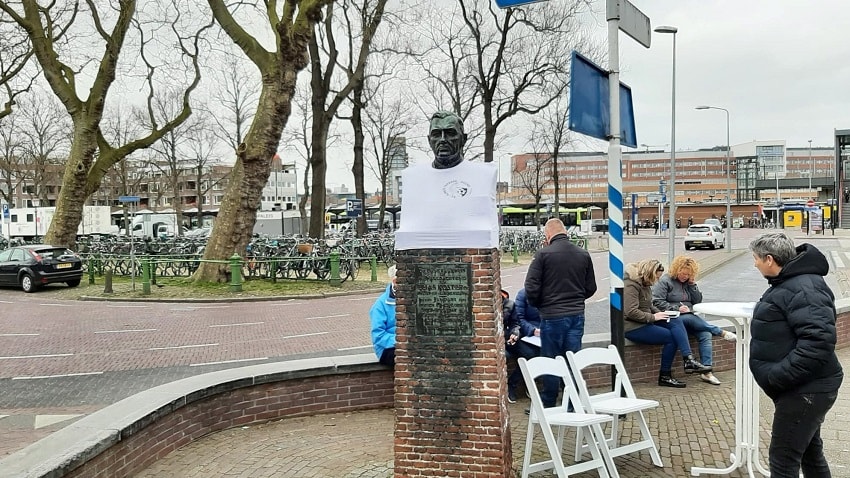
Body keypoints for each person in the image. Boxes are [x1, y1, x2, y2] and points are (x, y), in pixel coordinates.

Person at [749, 232, 843, 477]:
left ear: (769, 259)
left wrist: (776, 377)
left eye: (756, 258)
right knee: (810, 453)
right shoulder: (791, 282)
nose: (755, 264)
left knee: (783, 460)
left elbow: (818, 342)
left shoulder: (803, 287)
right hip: (804, 386)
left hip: (806, 388)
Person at [524, 218, 596, 407]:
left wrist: (540, 305)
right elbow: (591, 287)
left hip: (552, 316)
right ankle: (572, 403)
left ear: (548, 234)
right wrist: (576, 300)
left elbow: (531, 287)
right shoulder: (583, 254)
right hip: (576, 315)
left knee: (551, 360)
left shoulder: (543, 255)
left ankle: (549, 403)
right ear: (565, 231)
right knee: (573, 359)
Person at [623, 258, 712, 388]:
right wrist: (654, 317)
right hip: (633, 326)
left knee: (675, 320)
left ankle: (688, 359)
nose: (657, 280)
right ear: (649, 273)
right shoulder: (631, 285)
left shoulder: (644, 283)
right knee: (671, 338)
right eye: (656, 277)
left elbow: (649, 304)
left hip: (646, 320)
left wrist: (661, 314)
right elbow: (630, 312)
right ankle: (665, 376)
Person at [652, 255, 737, 385]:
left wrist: (692, 285)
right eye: (683, 273)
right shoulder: (666, 281)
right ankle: (720, 331)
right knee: (690, 318)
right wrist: (677, 308)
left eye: (688, 274)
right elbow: (656, 301)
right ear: (676, 270)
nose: (685, 277)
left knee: (705, 334)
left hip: (690, 316)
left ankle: (707, 371)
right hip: (673, 317)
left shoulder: (688, 283)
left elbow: (697, 301)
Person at [504, 288, 541, 403]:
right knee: (530, 355)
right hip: (523, 335)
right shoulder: (523, 295)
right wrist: (533, 330)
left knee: (544, 353)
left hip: (541, 335)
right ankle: (513, 383)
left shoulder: (549, 293)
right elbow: (519, 319)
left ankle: (528, 383)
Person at [370, 265, 397, 366]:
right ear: (394, 281)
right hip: (387, 348)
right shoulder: (380, 305)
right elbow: (378, 335)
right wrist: (400, 340)